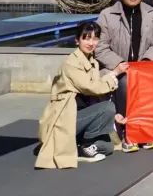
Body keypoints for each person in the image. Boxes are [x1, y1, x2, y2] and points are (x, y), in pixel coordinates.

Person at [35, 21, 127, 168]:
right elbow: (91, 88)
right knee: (108, 107)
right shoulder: (71, 63)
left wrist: (113, 116)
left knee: (108, 147)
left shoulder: (92, 62)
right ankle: (85, 145)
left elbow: (95, 93)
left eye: (95, 38)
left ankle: (79, 146)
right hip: (65, 118)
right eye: (86, 38)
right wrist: (114, 73)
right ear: (77, 40)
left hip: (81, 118)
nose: (91, 43)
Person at [95, 0, 153, 153]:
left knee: (151, 83)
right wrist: (119, 64)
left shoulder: (151, 13)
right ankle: (127, 130)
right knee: (125, 82)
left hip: (143, 68)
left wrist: (146, 62)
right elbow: (100, 47)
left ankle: (145, 128)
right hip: (114, 69)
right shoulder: (107, 15)